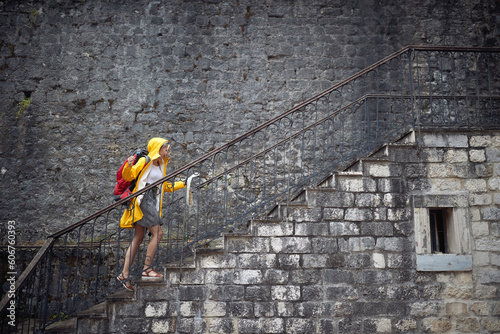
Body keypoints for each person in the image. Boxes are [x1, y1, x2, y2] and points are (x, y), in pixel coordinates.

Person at [117, 138, 185, 291]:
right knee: (158, 233)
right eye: (166, 147)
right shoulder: (145, 161)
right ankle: (147, 268)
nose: (168, 150)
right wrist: (128, 166)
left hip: (151, 200)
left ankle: (124, 273)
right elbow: (129, 176)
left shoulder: (161, 164)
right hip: (143, 200)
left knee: (139, 238)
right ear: (157, 147)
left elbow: (165, 186)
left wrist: (183, 183)